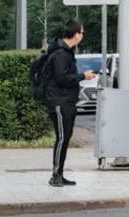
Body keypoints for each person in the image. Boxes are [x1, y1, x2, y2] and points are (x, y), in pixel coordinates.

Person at [44, 19, 96, 187]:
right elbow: (61, 78)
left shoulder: (66, 51)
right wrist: (83, 76)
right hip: (59, 101)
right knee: (62, 138)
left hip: (67, 100)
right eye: (82, 33)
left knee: (65, 138)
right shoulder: (60, 53)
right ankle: (56, 175)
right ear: (76, 34)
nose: (82, 36)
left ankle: (59, 173)